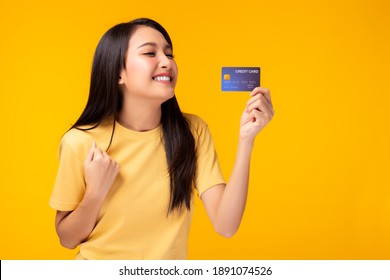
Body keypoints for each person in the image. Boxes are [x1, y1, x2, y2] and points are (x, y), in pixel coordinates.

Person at [49, 18, 274, 260]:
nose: (167, 62)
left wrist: (246, 139)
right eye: (149, 53)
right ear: (118, 73)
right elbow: (67, 239)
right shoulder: (80, 142)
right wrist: (95, 193)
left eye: (169, 54)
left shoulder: (193, 132)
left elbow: (225, 225)